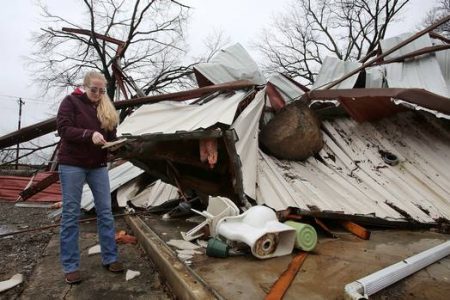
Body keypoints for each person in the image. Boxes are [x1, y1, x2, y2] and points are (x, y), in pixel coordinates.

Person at [56, 71, 123, 284]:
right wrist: (88, 134)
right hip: (72, 164)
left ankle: (110, 257)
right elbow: (64, 129)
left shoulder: (105, 107)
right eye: (94, 89)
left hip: (98, 166)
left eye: (101, 91)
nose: (97, 94)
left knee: (105, 211)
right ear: (85, 86)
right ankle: (70, 266)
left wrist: (116, 146)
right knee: (70, 214)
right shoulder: (70, 102)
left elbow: (110, 136)